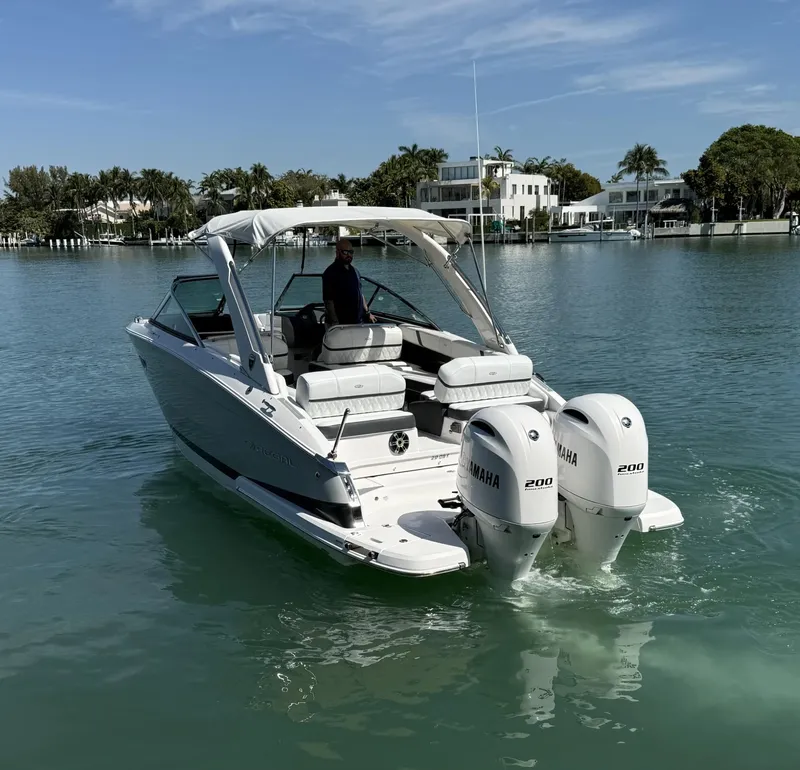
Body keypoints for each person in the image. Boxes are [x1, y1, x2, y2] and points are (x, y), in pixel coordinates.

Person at [322, 238, 376, 327]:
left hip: (357, 321)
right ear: (337, 252)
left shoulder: (355, 272)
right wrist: (335, 323)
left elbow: (360, 294)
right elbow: (328, 301)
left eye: (351, 252)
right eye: (345, 252)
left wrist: (368, 312)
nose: (349, 255)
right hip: (340, 324)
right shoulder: (330, 273)